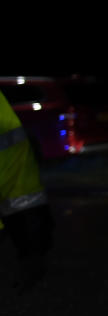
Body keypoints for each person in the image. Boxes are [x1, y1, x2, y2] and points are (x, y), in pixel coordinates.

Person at [0, 89, 53, 294]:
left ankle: (32, 266)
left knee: (24, 217)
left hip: (10, 162)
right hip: (16, 160)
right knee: (26, 215)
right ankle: (33, 264)